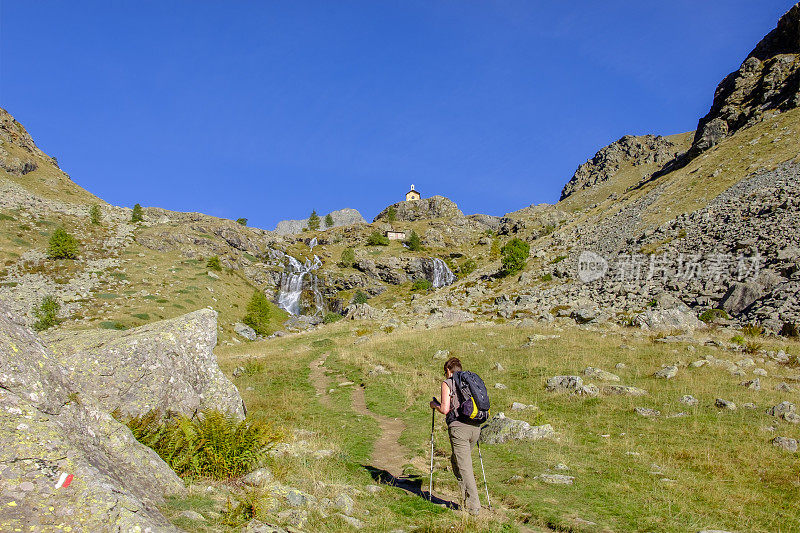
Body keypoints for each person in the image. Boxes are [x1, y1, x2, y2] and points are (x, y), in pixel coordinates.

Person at [430, 356, 482, 516]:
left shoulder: (448, 383)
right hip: (475, 428)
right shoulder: (470, 382)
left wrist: (434, 405)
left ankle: (474, 507)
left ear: (448, 370)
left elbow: (445, 409)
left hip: (459, 429)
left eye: (444, 371)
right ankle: (466, 499)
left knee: (464, 466)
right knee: (457, 461)